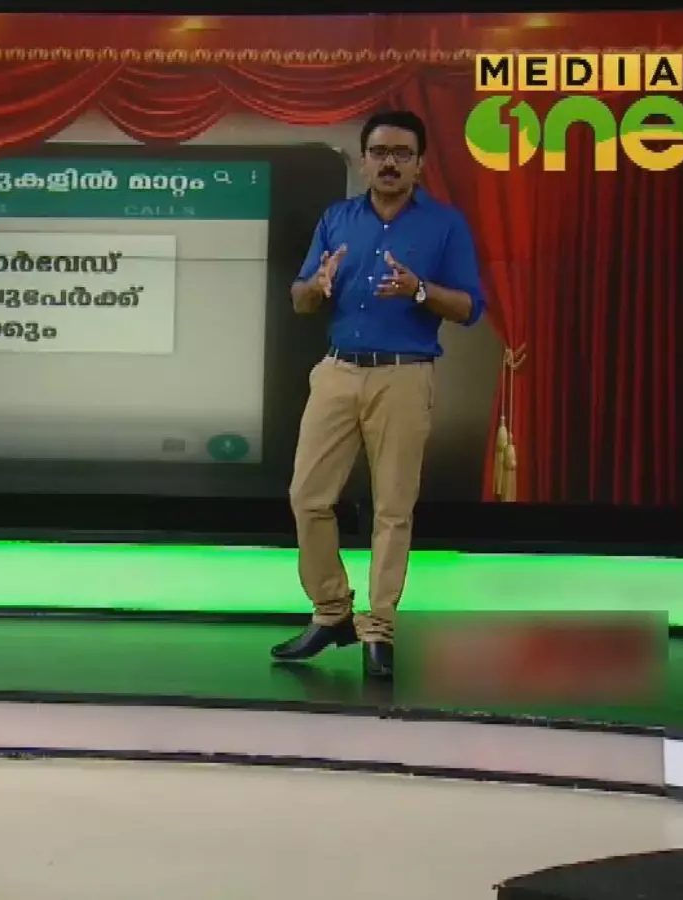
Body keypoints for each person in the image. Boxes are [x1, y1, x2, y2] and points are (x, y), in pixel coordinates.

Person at [270, 110, 486, 680]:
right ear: (364, 161)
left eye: (402, 153)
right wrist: (316, 287)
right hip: (337, 371)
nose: (390, 162)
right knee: (307, 497)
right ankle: (331, 612)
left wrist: (420, 291)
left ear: (419, 164)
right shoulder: (337, 219)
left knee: (392, 508)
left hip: (404, 376)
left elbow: (469, 307)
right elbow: (300, 298)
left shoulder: (444, 226)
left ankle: (379, 628)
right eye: (380, 152)